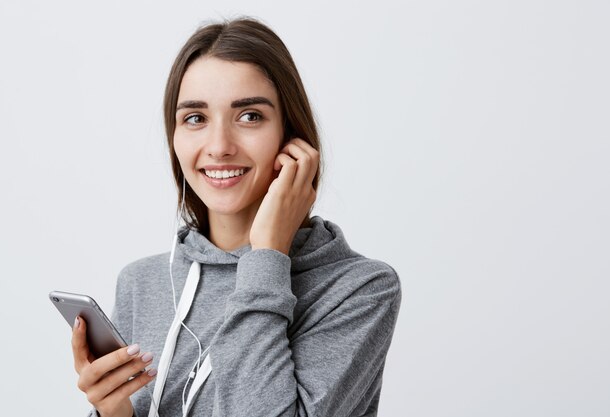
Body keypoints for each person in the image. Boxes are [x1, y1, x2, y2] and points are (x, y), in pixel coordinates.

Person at [70, 17, 401, 417]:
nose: (219, 146)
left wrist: (266, 257)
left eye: (249, 116)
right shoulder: (143, 283)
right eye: (195, 118)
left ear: (292, 136)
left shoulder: (359, 290)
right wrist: (115, 412)